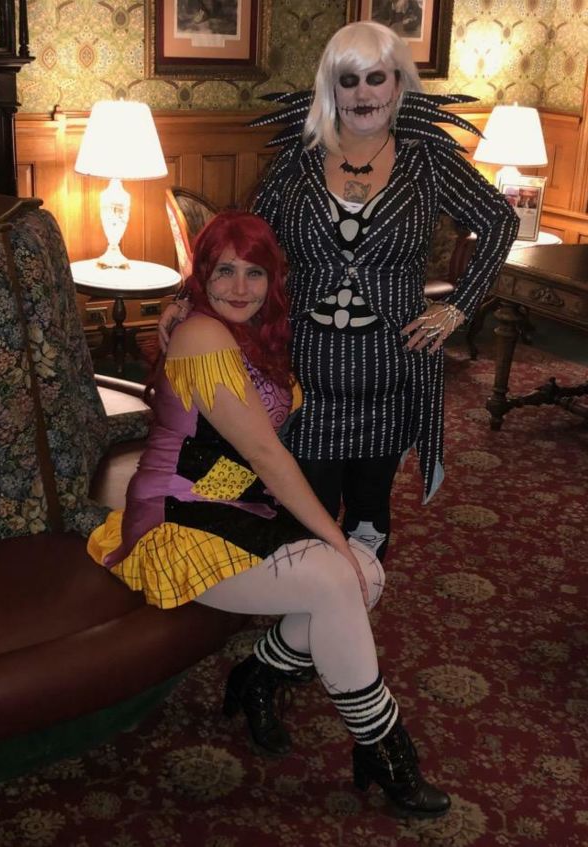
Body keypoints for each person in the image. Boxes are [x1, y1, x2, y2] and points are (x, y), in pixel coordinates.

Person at [88, 210, 451, 819]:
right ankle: (385, 751)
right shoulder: (202, 335)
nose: (239, 287)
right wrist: (335, 538)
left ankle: (258, 674)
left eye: (254, 273)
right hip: (175, 515)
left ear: (271, 279)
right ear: (202, 275)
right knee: (345, 575)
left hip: (232, 502)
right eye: (223, 271)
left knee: (367, 574)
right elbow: (264, 453)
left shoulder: (255, 330)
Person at [161, 22, 519, 567]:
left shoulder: (429, 160)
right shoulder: (299, 159)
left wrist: (458, 306)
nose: (363, 93)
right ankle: (314, 606)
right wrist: (189, 296)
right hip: (308, 370)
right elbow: (244, 240)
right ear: (331, 88)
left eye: (376, 78)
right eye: (348, 80)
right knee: (308, 509)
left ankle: (359, 595)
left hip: (392, 369)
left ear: (398, 83)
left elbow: (500, 220)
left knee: (371, 513)